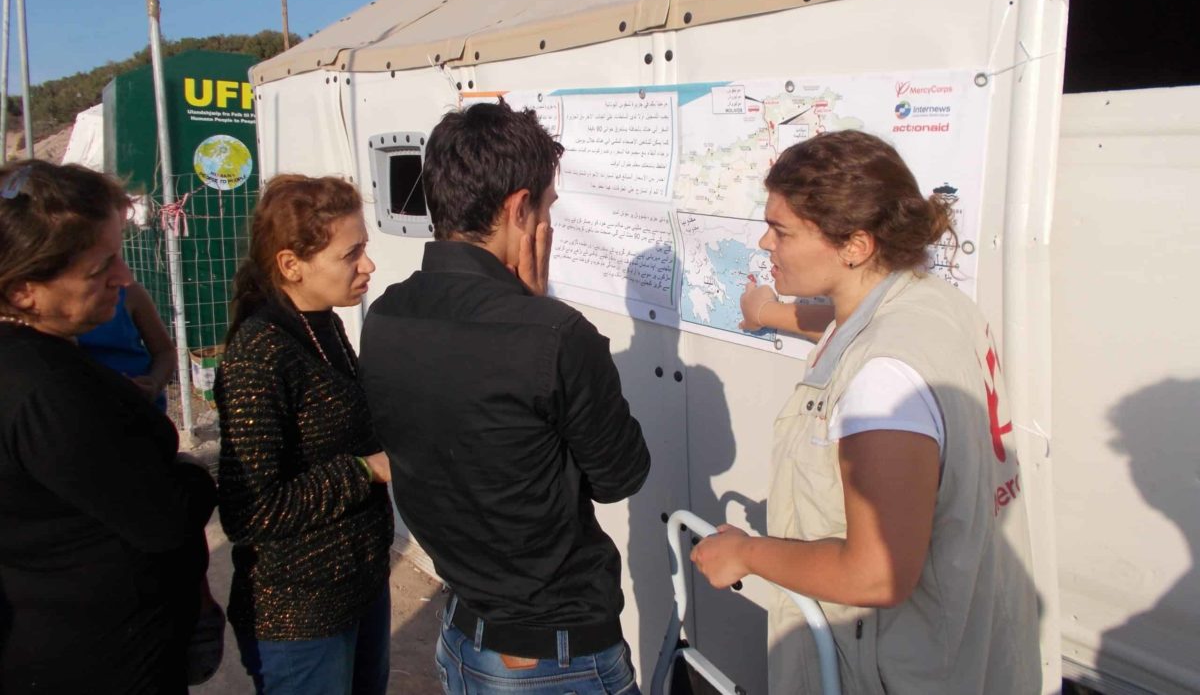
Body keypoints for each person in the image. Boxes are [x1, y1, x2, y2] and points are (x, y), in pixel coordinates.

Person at [691, 131, 1041, 694]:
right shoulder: (935, 302)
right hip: (971, 650)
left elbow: (876, 573)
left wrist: (747, 553)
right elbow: (846, 320)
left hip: (893, 672)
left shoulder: (882, 380)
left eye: (781, 231)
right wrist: (769, 312)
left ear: (855, 244)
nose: (763, 242)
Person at [359, 101, 651, 695]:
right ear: (520, 208)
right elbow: (621, 475)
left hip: (464, 635)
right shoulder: (557, 336)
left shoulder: (386, 315)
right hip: (555, 657)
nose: (548, 221)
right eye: (546, 208)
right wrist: (539, 311)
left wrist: (531, 308)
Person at [0, 160, 217, 694]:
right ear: (25, 289)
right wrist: (193, 475)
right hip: (101, 661)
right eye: (101, 268)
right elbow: (162, 518)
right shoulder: (48, 390)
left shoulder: (37, 365)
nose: (123, 278)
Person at [215, 174, 394, 695]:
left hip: (358, 586)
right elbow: (249, 510)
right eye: (350, 254)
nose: (368, 265)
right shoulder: (260, 353)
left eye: (364, 248)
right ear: (291, 264)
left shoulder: (325, 323)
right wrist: (366, 469)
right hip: (301, 616)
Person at [77, 279, 175, 411]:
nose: (123, 273)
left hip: (138, 410)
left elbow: (165, 352)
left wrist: (155, 382)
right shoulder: (46, 308)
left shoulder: (130, 293)